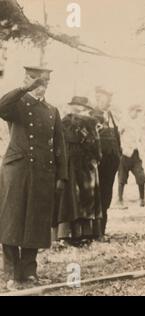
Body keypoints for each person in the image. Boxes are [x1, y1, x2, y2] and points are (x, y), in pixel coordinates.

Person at [0, 66, 68, 290]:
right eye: (37, 83)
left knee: (34, 223)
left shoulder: (51, 110)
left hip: (42, 173)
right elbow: (1, 106)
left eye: (45, 83)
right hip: (17, 170)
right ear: (27, 81)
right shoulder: (17, 104)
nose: (41, 87)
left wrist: (62, 176)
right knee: (12, 220)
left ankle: (29, 271)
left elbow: (60, 145)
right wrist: (22, 89)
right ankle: (10, 271)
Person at [54, 96, 103, 246]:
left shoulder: (65, 122)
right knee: (84, 199)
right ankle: (83, 234)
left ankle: (68, 234)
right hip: (84, 165)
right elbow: (96, 148)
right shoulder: (90, 124)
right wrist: (96, 159)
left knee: (72, 200)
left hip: (73, 164)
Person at [91, 86, 121, 238]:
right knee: (97, 197)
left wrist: (119, 155)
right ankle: (96, 232)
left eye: (109, 98)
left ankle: (101, 230)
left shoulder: (110, 115)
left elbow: (116, 137)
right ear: (97, 97)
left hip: (111, 164)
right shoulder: (92, 115)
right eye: (105, 98)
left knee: (106, 197)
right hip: (98, 163)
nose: (108, 101)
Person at [117, 104, 145, 207]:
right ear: (130, 111)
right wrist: (121, 148)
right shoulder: (123, 121)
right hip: (125, 153)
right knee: (122, 178)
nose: (137, 113)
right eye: (135, 111)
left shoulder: (139, 123)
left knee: (141, 176)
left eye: (138, 112)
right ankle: (120, 200)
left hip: (136, 153)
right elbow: (117, 134)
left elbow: (141, 137)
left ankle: (142, 199)